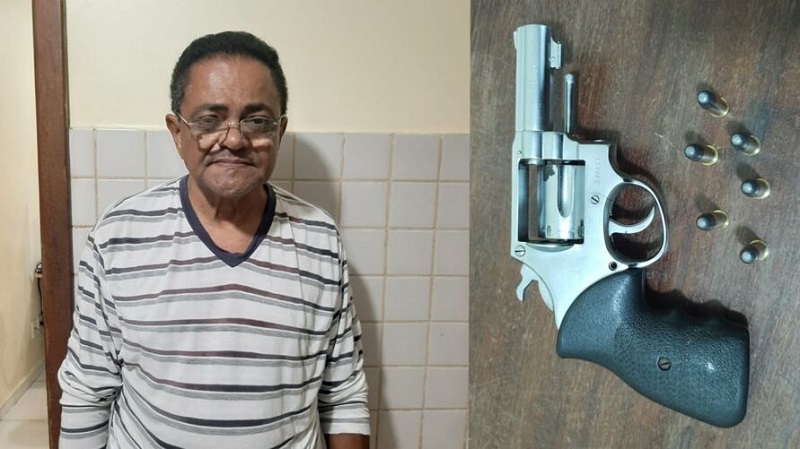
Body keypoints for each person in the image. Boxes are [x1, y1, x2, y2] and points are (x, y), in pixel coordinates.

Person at [58, 31, 370, 449]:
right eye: (209, 120)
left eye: (256, 121)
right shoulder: (118, 237)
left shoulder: (320, 239)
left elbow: (344, 394)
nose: (235, 139)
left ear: (279, 131)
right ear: (177, 131)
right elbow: (86, 390)